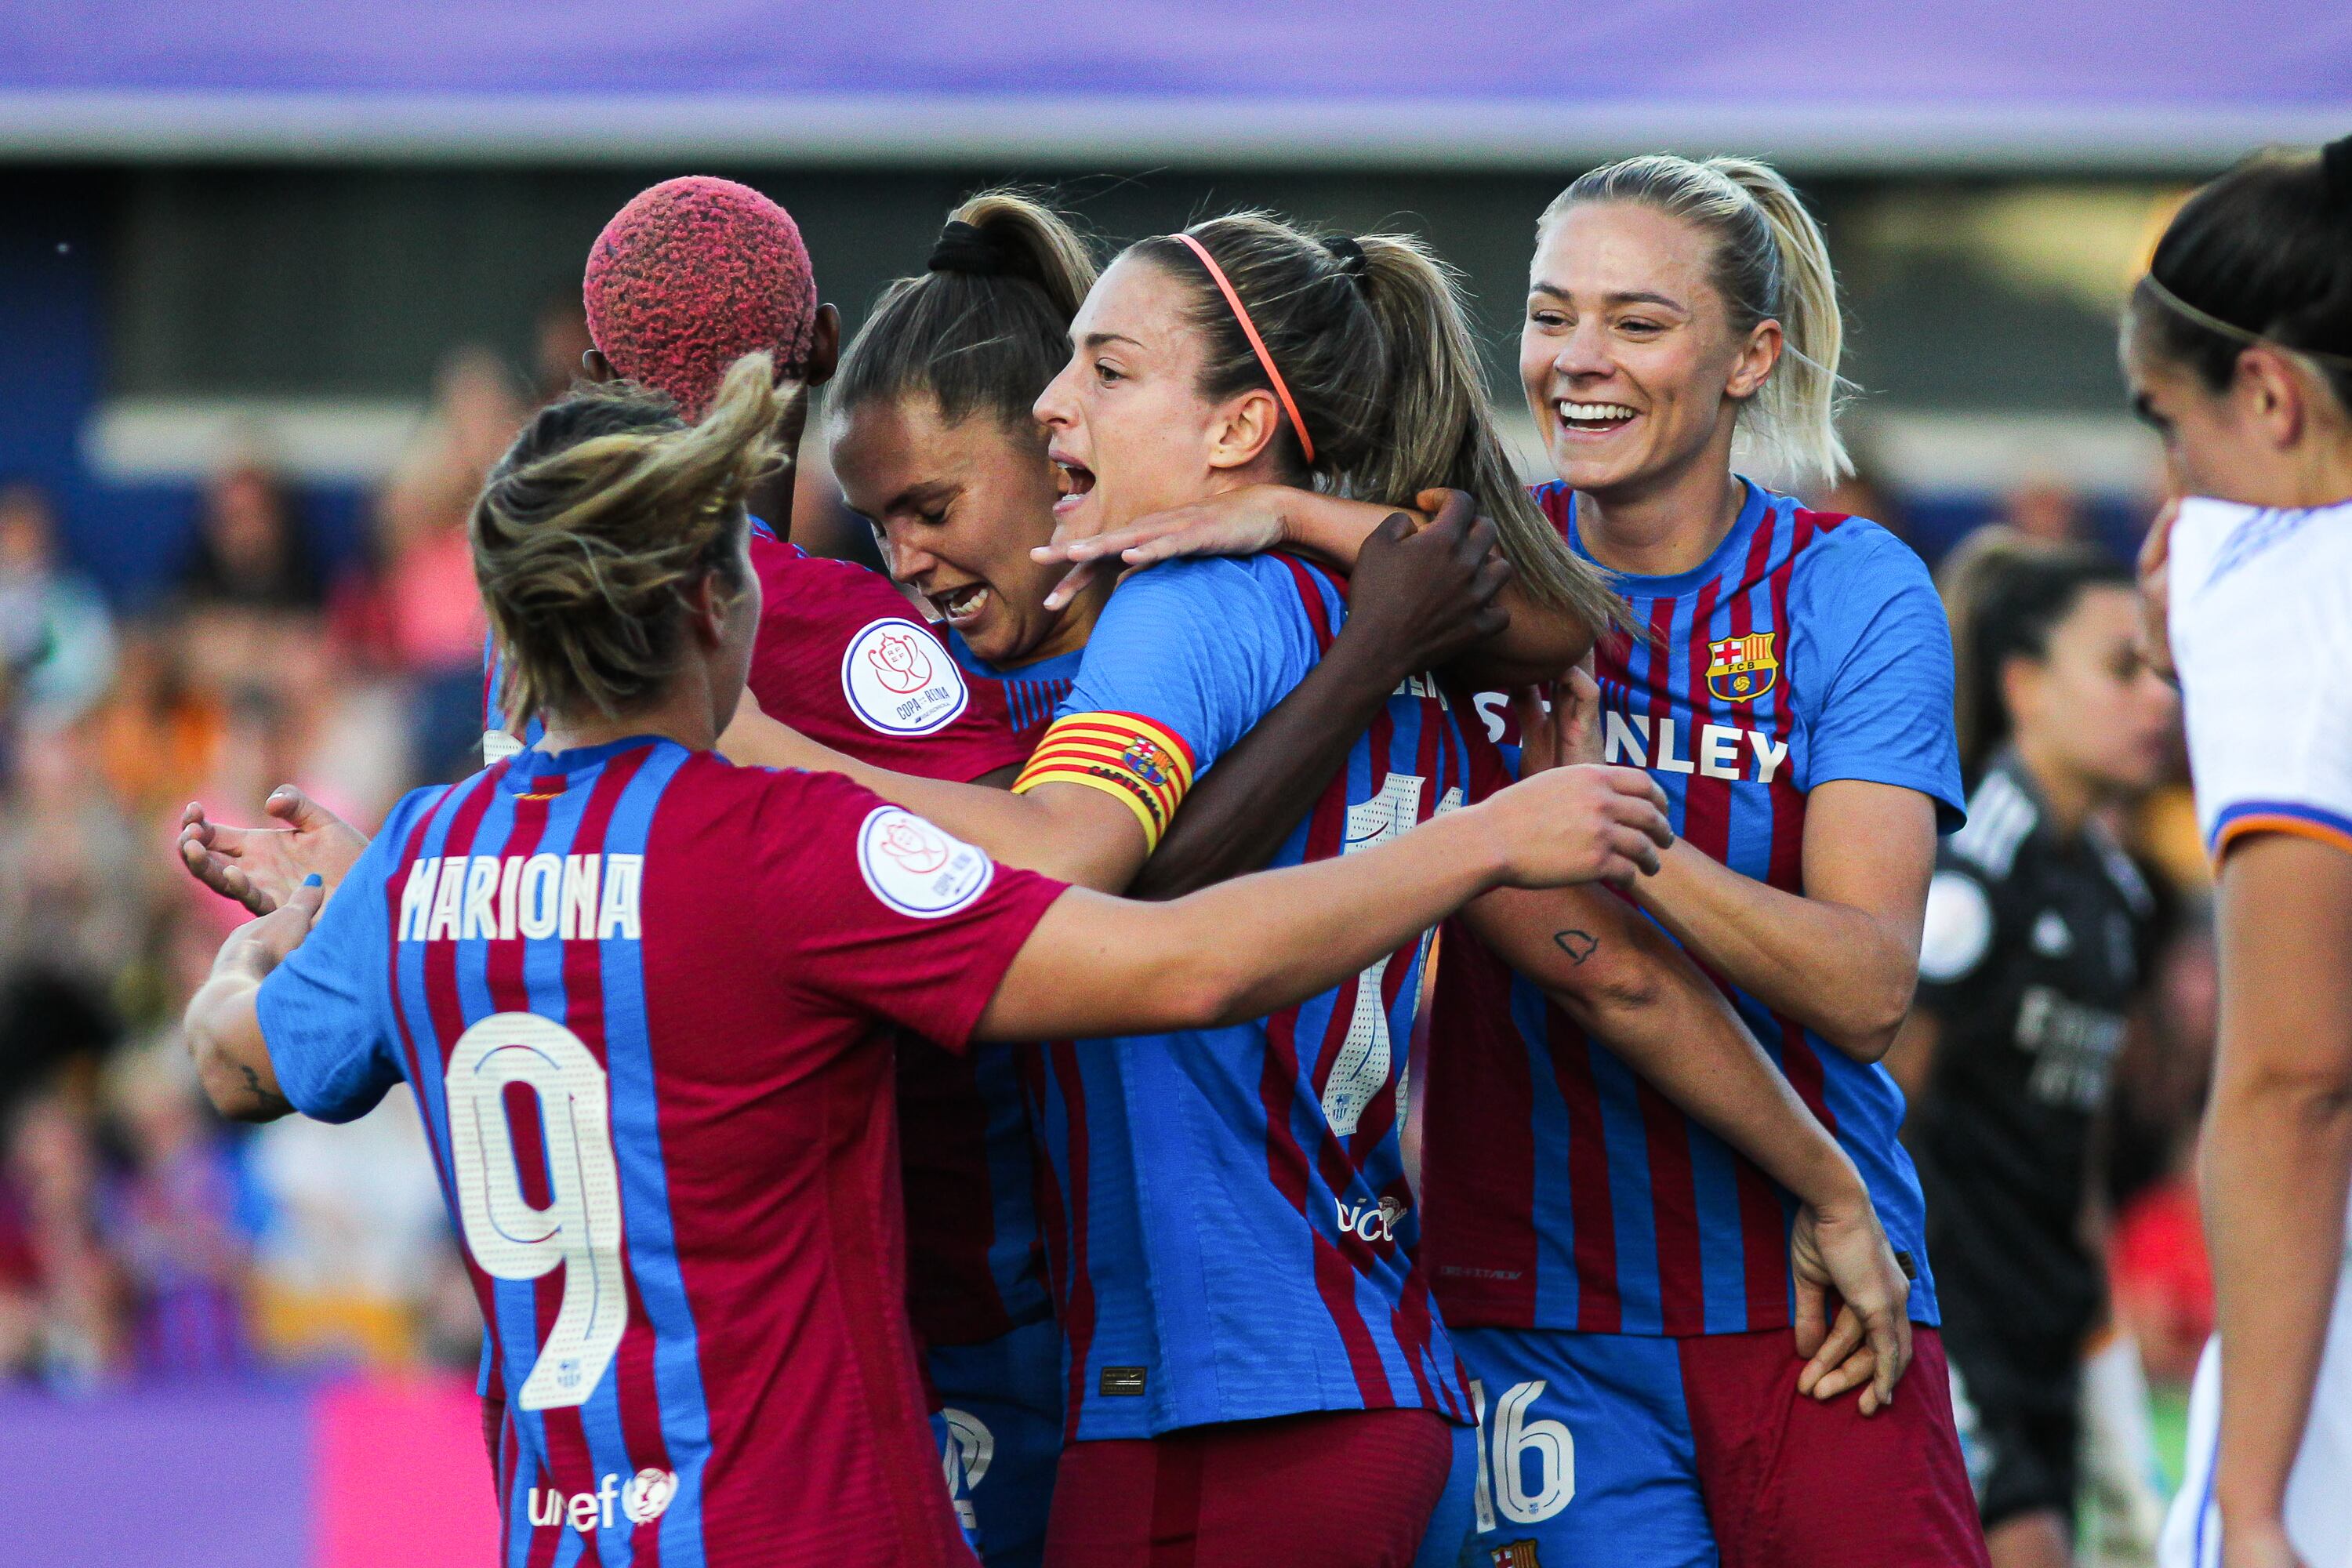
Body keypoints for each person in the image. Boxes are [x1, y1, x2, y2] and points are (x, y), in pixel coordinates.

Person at [176, 355, 1678, 1566]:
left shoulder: (426, 862)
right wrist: (1479, 841)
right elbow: (1178, 970)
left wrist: (284, 936)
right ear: (715, 603)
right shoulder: (784, 854)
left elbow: (235, 1059)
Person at [762, 208, 1912, 1566]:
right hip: (1374, 1376)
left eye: (1107, 374)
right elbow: (1608, 965)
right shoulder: (1384, 614)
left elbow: (1071, 869)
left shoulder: (1192, 610)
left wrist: (737, 749)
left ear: (1242, 428)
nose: (1057, 407)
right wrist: (1827, 1181)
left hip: (1215, 1399)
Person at [1049, 155, 1983, 1568]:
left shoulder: (1844, 591)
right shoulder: (1461, 587)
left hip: (1804, 1302)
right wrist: (1296, 515)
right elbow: (1562, 925)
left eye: (1640, 323)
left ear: (1753, 357)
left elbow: (1863, 989)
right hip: (1526, 1310)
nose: (1580, 362)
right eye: (1552, 317)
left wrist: (1615, 834)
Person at [2127, 135, 2352, 1568]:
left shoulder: (2290, 582)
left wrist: (2258, 1508)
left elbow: (2294, 1079)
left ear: (2267, 394)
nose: (2171, 490)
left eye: (2167, 423)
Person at [1888, 529, 2176, 1568]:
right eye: (2121, 668)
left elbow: (2079, 1171)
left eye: (2159, 669)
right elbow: (1876, 1106)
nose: (2159, 699)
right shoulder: (1968, 877)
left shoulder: (2113, 893)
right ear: (2024, 686)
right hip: (1951, 1317)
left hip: (2047, 1329)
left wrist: (2117, 1411)